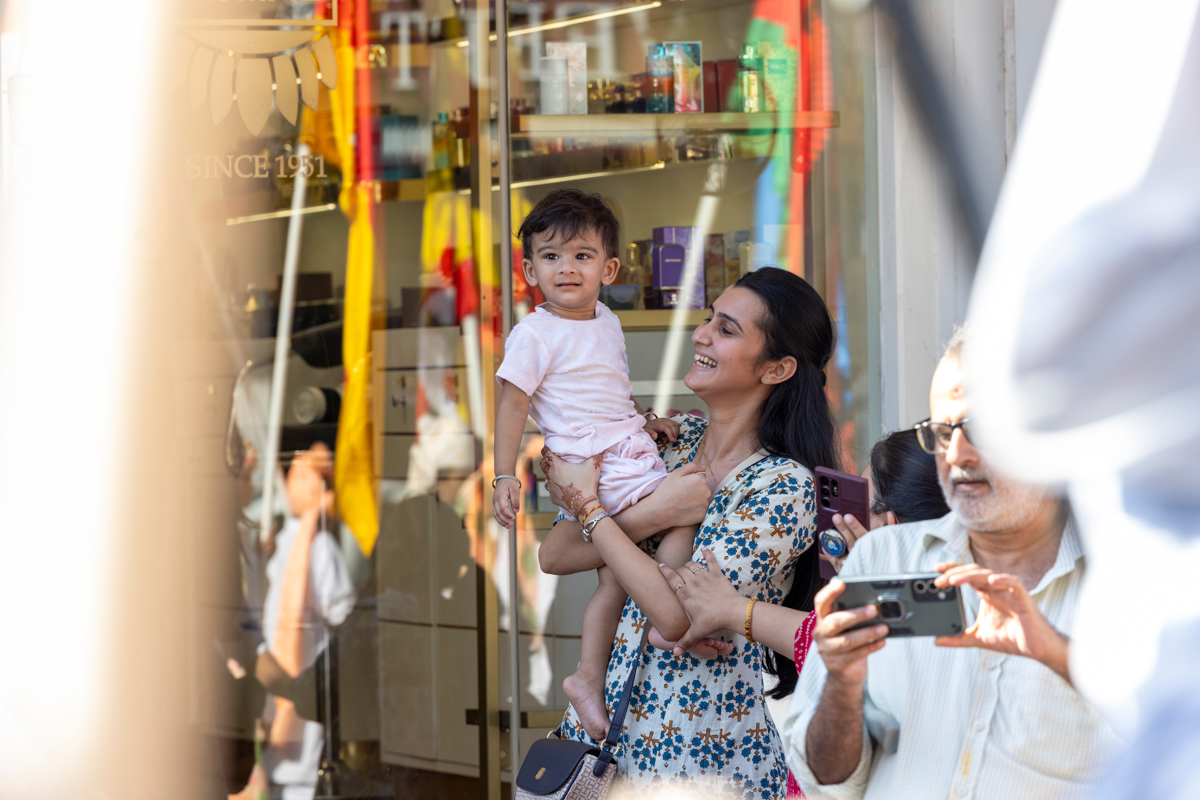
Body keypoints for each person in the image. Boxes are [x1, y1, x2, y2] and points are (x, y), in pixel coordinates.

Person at [781, 330, 1122, 800]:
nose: (956, 455)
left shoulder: (1132, 584)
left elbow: (1172, 760)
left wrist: (1059, 656)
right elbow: (827, 777)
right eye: (943, 433)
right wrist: (842, 684)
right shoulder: (882, 559)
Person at [538, 267, 836, 798]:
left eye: (726, 329)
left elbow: (681, 614)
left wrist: (589, 508)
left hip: (701, 759)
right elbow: (556, 554)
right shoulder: (668, 440)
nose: (700, 334)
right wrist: (652, 515)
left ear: (776, 368)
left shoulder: (784, 486)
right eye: (707, 320)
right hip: (603, 746)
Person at [492, 188, 702, 740]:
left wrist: (643, 418)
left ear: (608, 268)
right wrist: (505, 474)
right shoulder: (534, 333)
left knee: (612, 583)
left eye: (582, 256)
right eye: (551, 256)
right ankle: (675, 614)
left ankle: (588, 675)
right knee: (681, 514)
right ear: (529, 268)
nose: (566, 268)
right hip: (596, 463)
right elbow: (513, 404)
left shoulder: (605, 319)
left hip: (623, 445)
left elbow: (607, 387)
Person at [658, 429, 948, 798]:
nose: (843, 516)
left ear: (888, 525)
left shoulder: (894, 620)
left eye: (860, 504)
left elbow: (819, 638)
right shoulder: (963, 605)